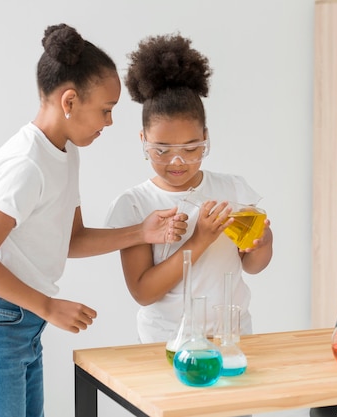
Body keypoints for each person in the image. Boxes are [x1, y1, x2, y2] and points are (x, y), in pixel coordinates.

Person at [0, 24, 185, 417]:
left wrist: (140, 231)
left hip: (19, 321)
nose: (110, 122)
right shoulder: (26, 164)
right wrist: (48, 306)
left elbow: (71, 238)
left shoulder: (63, 152)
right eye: (106, 110)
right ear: (69, 101)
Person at [105, 33, 273, 344]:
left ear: (206, 138)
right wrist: (200, 239)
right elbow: (143, 292)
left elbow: (253, 266)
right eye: (163, 149)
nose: (178, 161)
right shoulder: (134, 204)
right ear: (143, 141)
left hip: (233, 338)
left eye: (192, 148)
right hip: (168, 343)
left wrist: (261, 244)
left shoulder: (231, 188)